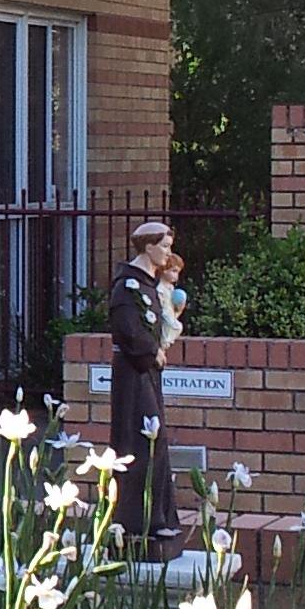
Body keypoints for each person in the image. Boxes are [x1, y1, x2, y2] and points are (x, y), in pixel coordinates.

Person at [105, 221, 183, 547]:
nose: (167, 252)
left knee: (155, 439)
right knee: (142, 440)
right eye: (163, 246)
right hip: (133, 374)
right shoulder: (128, 287)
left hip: (147, 371)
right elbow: (126, 328)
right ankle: (138, 520)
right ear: (148, 247)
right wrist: (151, 351)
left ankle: (158, 517)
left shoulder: (149, 284)